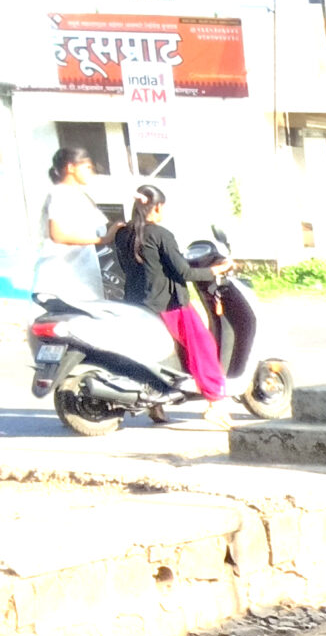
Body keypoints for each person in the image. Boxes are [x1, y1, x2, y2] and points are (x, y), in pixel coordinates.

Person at [112, 184, 234, 426]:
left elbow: (128, 267)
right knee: (203, 346)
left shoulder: (123, 234)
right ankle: (215, 404)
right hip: (167, 304)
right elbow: (184, 272)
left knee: (153, 353)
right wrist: (215, 270)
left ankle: (155, 405)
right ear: (157, 207)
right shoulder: (161, 234)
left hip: (135, 303)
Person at [34, 146, 108, 301]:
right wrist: (102, 239)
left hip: (80, 278)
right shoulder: (60, 193)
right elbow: (58, 235)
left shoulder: (80, 195)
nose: (90, 172)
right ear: (71, 168)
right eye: (87, 167)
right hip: (63, 279)